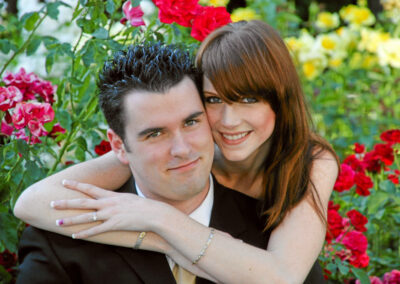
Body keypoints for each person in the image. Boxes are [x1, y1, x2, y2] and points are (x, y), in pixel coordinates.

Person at [14, 20, 339, 284]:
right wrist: (157, 235)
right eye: (213, 100)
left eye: (249, 99)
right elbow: (32, 202)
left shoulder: (289, 203)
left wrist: (164, 222)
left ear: (280, 101)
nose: (228, 121)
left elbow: (282, 278)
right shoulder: (59, 245)